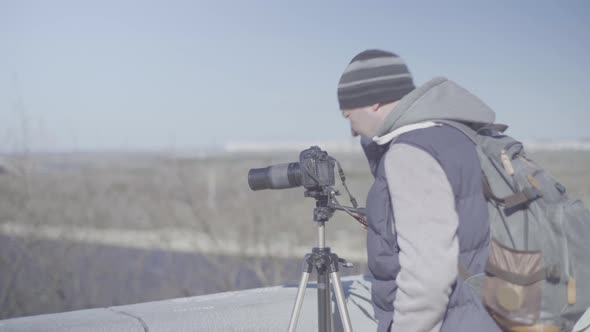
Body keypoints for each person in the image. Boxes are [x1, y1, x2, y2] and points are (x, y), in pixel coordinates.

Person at [337, 49, 501, 332]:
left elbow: (428, 275)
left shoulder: (411, 152)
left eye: (349, 115)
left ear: (373, 101)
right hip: (491, 313)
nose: (352, 131)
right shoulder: (463, 136)